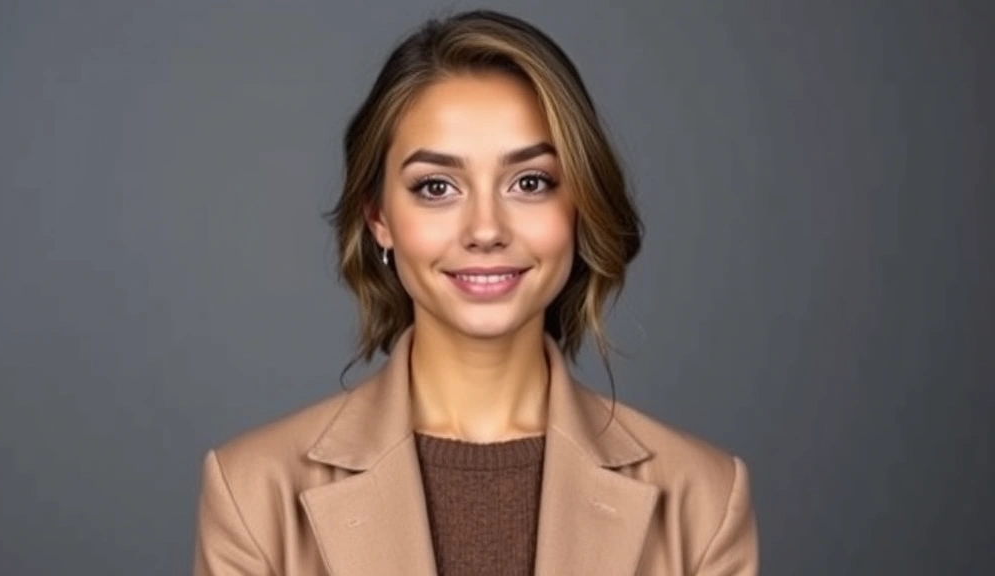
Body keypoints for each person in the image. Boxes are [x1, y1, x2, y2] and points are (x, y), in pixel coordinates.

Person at [193, 9, 758, 576]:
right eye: (436, 187)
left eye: (530, 182)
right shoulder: (254, 494)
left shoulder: (702, 500)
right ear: (378, 218)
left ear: (580, 205)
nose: (486, 229)